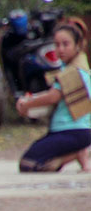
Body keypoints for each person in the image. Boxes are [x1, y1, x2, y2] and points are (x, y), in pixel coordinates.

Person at [16, 19, 91, 172]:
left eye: (65, 44)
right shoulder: (78, 69)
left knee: (28, 164)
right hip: (74, 132)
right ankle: (79, 155)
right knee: (37, 160)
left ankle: (77, 153)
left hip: (72, 131)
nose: (60, 49)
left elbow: (53, 97)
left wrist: (27, 103)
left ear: (78, 46)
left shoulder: (73, 72)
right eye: (57, 45)